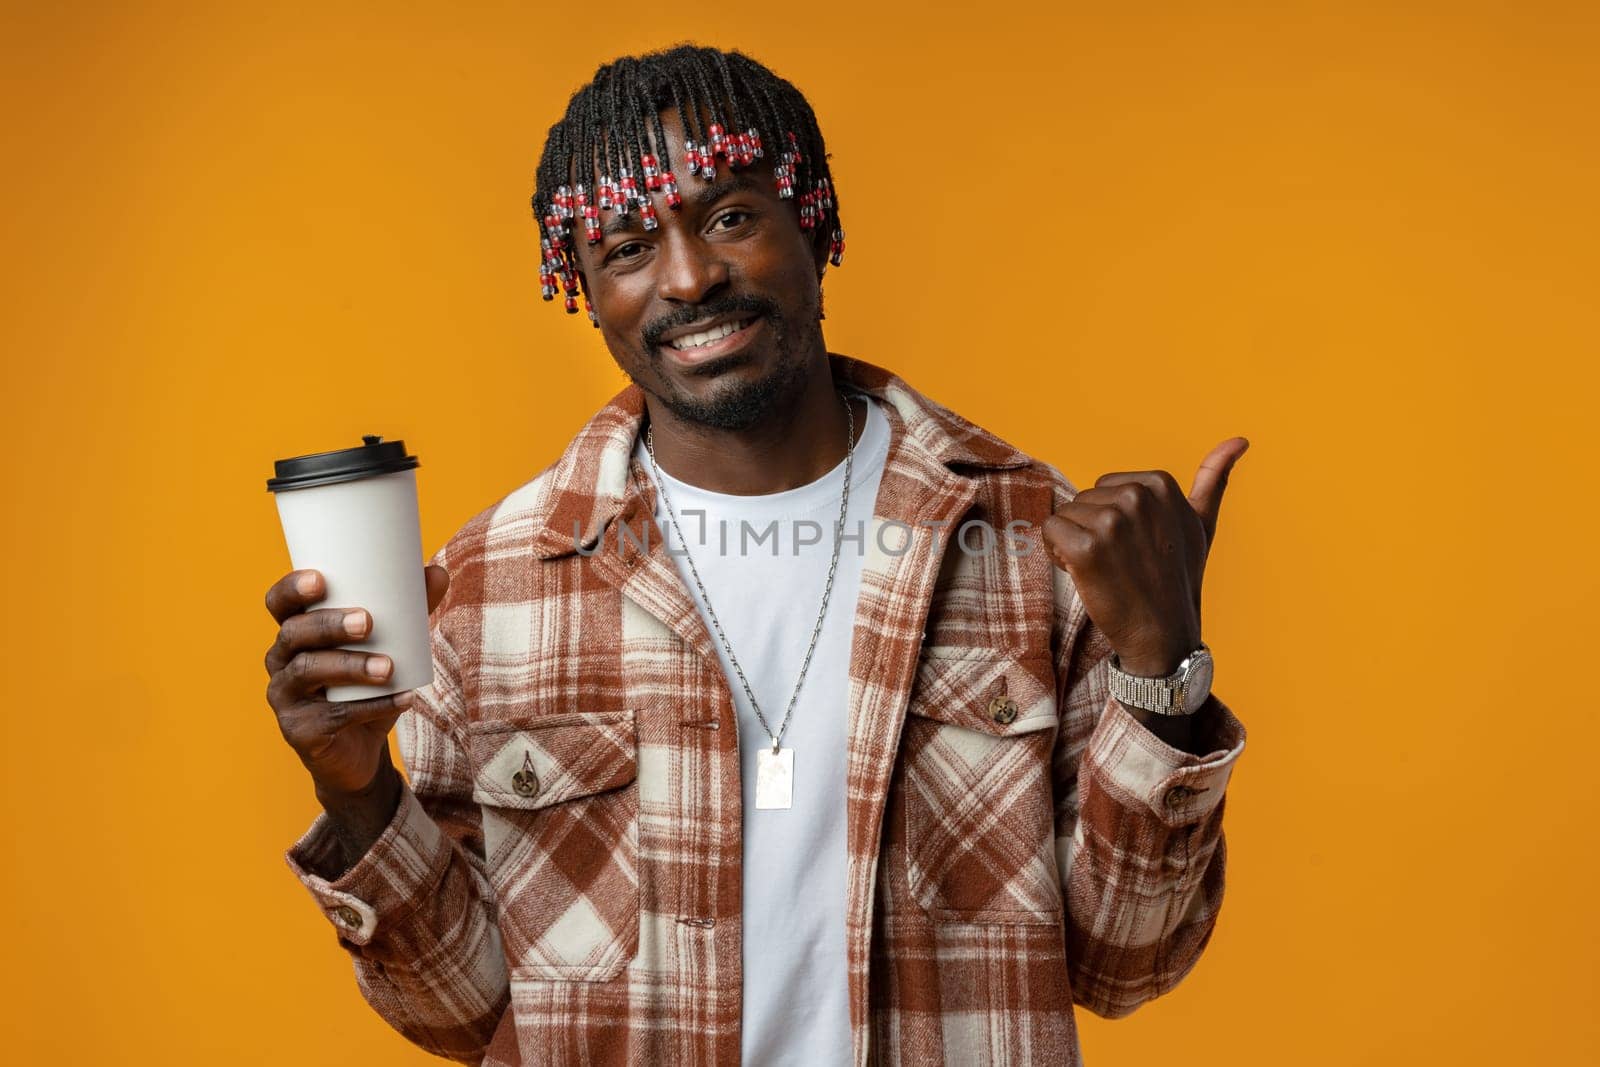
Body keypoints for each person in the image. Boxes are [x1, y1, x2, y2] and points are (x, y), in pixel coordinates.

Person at [262, 43, 1249, 1066]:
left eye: (729, 215)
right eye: (628, 246)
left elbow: (1124, 963)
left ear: (811, 221)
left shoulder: (1029, 539)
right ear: (586, 290)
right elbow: (464, 1013)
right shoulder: (489, 586)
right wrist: (355, 786)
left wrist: (1160, 673)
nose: (689, 277)